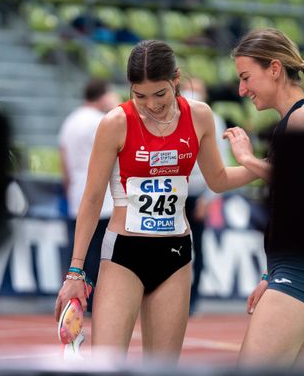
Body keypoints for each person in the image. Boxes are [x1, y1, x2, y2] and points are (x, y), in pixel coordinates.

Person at [54, 39, 260, 362]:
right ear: (130, 89)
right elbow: (93, 199)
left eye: (160, 94)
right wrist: (75, 273)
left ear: (176, 80)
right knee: (106, 365)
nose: (151, 104)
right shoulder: (115, 123)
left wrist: (257, 166)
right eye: (140, 96)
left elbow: (217, 180)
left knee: (162, 369)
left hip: (175, 255)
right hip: (124, 254)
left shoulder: (200, 116)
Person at [223, 28, 304, 368]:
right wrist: (268, 276)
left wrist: (247, 159)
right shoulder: (294, 121)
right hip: (296, 270)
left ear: (274, 68)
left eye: (246, 78)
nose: (242, 90)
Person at [58, 79, 120, 313]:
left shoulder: (70, 121)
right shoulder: (101, 122)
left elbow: (64, 160)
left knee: (78, 252)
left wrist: (69, 188)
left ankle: (73, 299)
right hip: (101, 198)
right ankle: (92, 303)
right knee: (98, 255)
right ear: (103, 96)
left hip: (77, 194)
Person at [181, 77, 230, 315]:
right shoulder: (174, 116)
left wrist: (208, 199)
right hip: (175, 193)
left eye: (199, 90)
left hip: (199, 192)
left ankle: (193, 298)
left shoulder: (214, 119)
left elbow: (221, 162)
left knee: (197, 247)